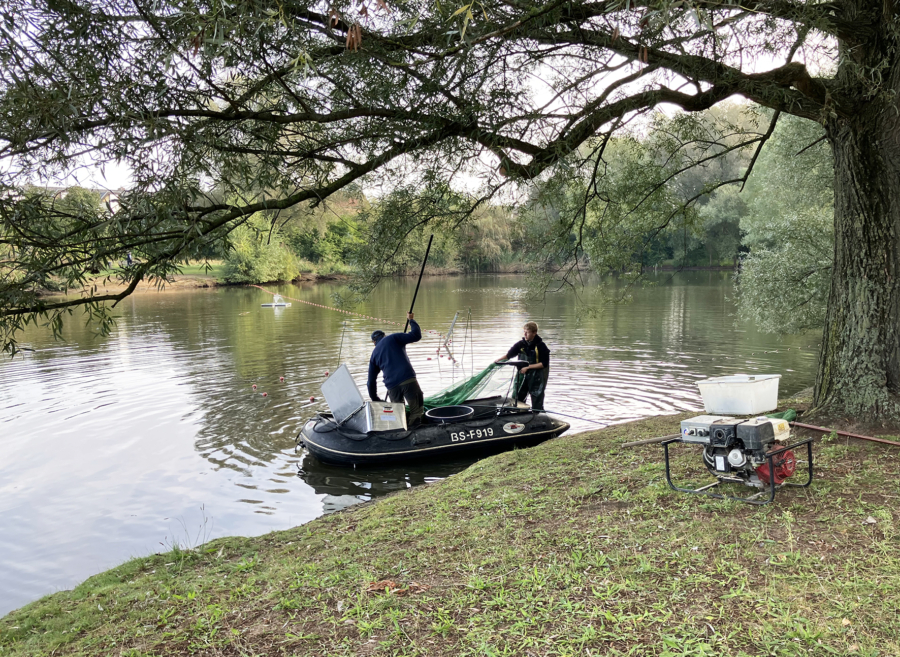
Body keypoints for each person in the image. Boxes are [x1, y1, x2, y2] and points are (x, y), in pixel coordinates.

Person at [367, 312, 425, 427]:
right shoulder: (393, 338)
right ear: (384, 335)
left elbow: (370, 382)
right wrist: (411, 320)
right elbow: (416, 335)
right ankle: (418, 432)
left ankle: (401, 435)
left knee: (399, 416)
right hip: (407, 380)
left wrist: (375, 399)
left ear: (374, 342)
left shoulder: (374, 355)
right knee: (416, 412)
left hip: (392, 387)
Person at [495, 321, 550, 410]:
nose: (524, 334)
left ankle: (537, 413)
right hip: (522, 375)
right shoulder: (521, 344)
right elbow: (508, 355)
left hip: (537, 377)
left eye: (527, 332)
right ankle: (518, 412)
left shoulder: (541, 346)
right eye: (524, 331)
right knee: (517, 396)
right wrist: (498, 360)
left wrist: (528, 367)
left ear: (534, 333)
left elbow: (544, 364)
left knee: (537, 398)